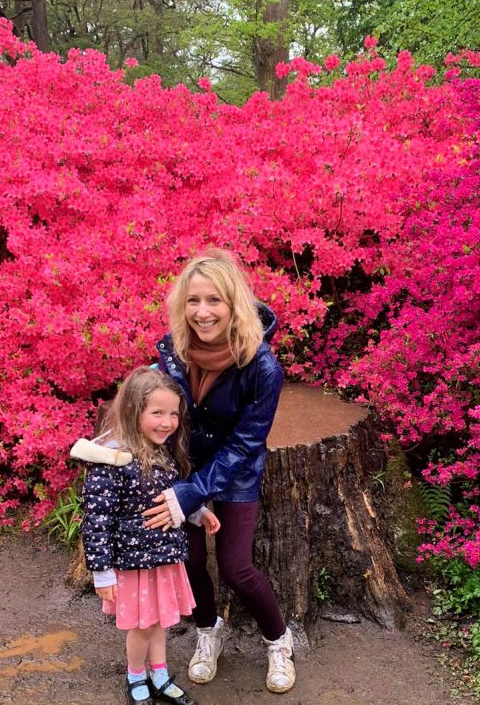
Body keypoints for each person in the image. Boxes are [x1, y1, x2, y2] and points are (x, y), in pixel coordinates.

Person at [142, 250, 295, 694]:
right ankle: (208, 631)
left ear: (233, 304)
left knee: (235, 568)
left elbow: (247, 444)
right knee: (188, 561)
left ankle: (278, 640)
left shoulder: (262, 367)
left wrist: (194, 493)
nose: (202, 312)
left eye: (214, 301)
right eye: (193, 301)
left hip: (236, 471)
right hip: (183, 466)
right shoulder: (173, 353)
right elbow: (158, 412)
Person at [71, 367, 221, 705]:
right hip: (133, 564)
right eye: (157, 413)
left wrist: (197, 512)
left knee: (160, 623)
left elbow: (170, 493)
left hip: (163, 559)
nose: (168, 422)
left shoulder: (162, 450)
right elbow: (97, 520)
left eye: (173, 414)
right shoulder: (111, 461)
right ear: (133, 411)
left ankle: (160, 674)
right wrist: (102, 572)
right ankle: (136, 675)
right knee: (141, 626)